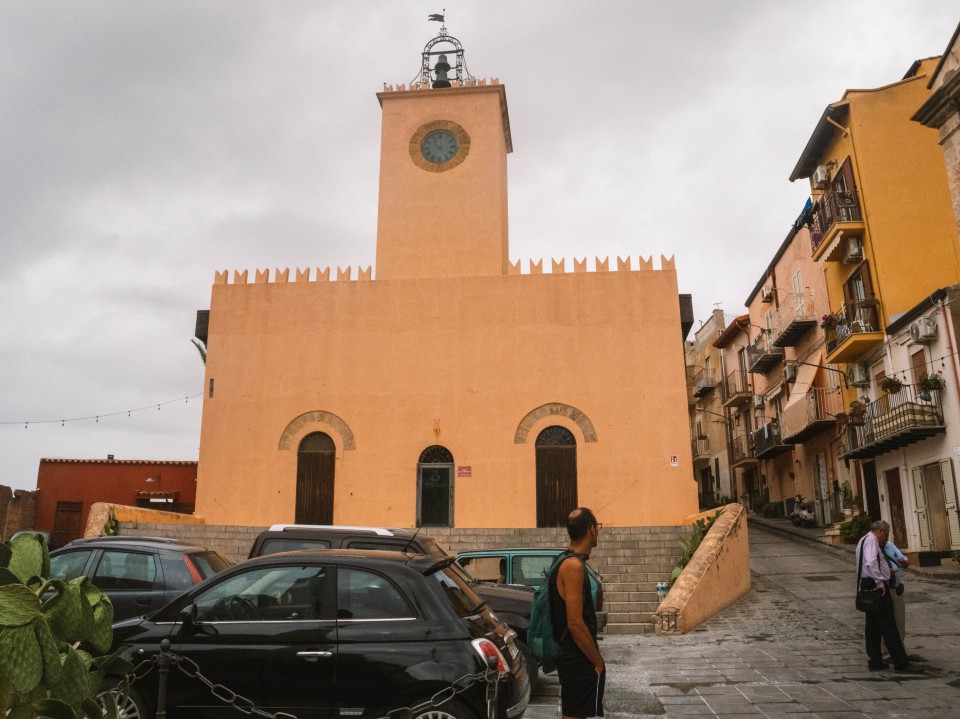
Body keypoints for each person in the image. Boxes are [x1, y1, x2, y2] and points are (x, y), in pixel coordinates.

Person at [549, 507, 605, 718]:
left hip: (571, 654)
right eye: (597, 527)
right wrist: (597, 660)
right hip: (576, 656)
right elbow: (575, 622)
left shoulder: (564, 559)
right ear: (592, 530)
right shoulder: (573, 566)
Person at [856, 520, 921, 673]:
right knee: (889, 624)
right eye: (886, 534)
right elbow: (871, 562)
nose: (885, 538)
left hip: (866, 583)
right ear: (880, 531)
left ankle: (875, 660)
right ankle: (901, 662)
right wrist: (880, 582)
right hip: (876, 585)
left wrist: (884, 572)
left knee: (872, 626)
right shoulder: (872, 540)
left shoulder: (863, 540)